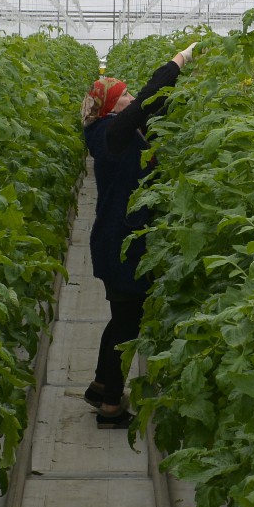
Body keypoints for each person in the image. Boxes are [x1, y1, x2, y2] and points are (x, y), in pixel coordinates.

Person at [80, 41, 195, 427]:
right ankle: (112, 406)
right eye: (124, 95)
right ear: (112, 107)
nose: (131, 98)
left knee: (120, 318)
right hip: (122, 245)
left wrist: (189, 84)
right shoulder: (112, 133)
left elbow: (154, 105)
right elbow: (148, 98)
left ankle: (100, 385)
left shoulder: (112, 131)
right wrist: (180, 60)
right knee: (127, 326)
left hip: (117, 238)